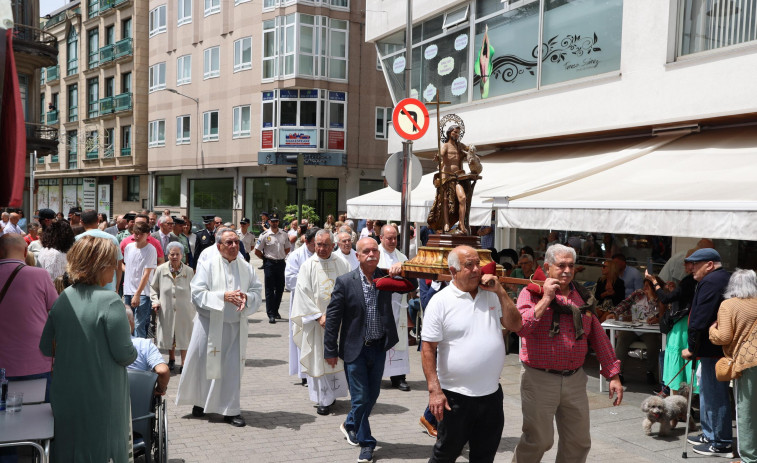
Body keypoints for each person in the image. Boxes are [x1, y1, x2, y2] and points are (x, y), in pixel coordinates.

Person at [513, 244, 623, 463]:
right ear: (547, 267)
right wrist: (546, 299)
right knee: (539, 440)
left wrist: (613, 375)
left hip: (574, 379)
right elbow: (522, 327)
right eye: (560, 265)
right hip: (539, 379)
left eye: (571, 266)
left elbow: (598, 335)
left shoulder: (581, 295)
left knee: (579, 442)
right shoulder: (531, 292)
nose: (566, 270)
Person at [39, 236, 137, 463]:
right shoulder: (111, 301)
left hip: (66, 393)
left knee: (68, 450)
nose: (115, 268)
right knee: (103, 450)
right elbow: (125, 354)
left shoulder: (64, 297)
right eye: (112, 262)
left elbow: (46, 346)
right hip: (102, 393)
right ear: (99, 265)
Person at [421, 246, 521, 462]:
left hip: (491, 395)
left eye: (478, 264)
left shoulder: (492, 295)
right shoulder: (440, 301)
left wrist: (501, 291)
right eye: (469, 265)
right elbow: (428, 348)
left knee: (484, 456)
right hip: (455, 397)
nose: (477, 269)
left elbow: (516, 324)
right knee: (445, 454)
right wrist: (434, 390)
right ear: (453, 271)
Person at [324, 237, 414, 463]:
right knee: (361, 397)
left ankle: (350, 423)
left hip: (378, 347)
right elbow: (333, 319)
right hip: (354, 349)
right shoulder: (345, 282)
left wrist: (402, 271)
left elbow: (410, 286)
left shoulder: (386, 277)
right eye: (366, 251)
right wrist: (330, 350)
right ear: (358, 256)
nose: (372, 254)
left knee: (372, 396)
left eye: (375, 250)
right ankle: (367, 443)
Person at [176, 228, 263, 427]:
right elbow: (196, 293)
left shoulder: (245, 266)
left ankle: (230, 410)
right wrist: (223, 296)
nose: (233, 246)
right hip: (209, 324)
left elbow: (257, 291)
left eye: (236, 242)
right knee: (203, 365)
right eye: (229, 243)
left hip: (235, 327)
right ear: (219, 246)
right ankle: (200, 402)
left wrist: (246, 298)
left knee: (231, 370)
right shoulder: (208, 263)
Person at [291, 230, 351, 415]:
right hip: (317, 324)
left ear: (333, 245)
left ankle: (335, 395)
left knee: (337, 359)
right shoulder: (307, 266)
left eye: (326, 244)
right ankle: (323, 399)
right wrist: (319, 316)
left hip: (338, 323)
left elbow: (350, 289)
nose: (322, 248)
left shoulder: (342, 263)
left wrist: (339, 317)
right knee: (318, 357)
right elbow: (302, 294)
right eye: (318, 244)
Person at [681, 248, 733, 457]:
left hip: (712, 348)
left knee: (714, 394)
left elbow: (700, 318)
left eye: (696, 263)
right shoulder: (720, 278)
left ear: (709, 264)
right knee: (707, 391)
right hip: (712, 347)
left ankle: (720, 442)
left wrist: (692, 348)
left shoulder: (712, 281)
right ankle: (710, 434)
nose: (692, 268)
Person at [0, 235, 57, 402]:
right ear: (26, 251)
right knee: (38, 420)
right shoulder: (39, 275)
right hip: (35, 360)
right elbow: (56, 310)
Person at [709, 269, 757, 463]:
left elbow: (724, 337)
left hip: (748, 362)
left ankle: (748, 459)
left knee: (745, 411)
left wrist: (712, 331)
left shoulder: (728, 305)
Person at [650, 249, 697, 394]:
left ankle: (674, 402)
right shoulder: (697, 282)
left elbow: (664, 299)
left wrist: (654, 283)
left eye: (687, 262)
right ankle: (682, 403)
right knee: (683, 361)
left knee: (676, 359)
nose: (684, 264)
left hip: (682, 325)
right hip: (689, 323)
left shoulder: (690, 281)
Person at [609, 277, 665, 385]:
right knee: (622, 339)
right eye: (644, 285)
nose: (644, 288)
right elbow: (625, 303)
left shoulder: (660, 298)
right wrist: (615, 313)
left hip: (649, 329)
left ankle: (651, 372)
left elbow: (663, 312)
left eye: (647, 286)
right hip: (633, 326)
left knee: (653, 343)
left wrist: (652, 300)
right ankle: (618, 373)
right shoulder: (638, 294)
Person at [151, 241, 195, 373]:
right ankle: (171, 359)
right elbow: (153, 288)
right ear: (167, 255)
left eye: (177, 254)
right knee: (170, 334)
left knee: (184, 335)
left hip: (185, 309)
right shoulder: (160, 269)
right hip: (167, 307)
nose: (174, 257)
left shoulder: (189, 271)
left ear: (182, 255)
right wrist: (155, 301)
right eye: (172, 254)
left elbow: (194, 289)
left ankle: (184, 362)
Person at [427, 123, 479, 235]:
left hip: (458, 177)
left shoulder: (460, 146)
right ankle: (446, 222)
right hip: (446, 177)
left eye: (458, 133)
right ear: (449, 133)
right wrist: (438, 157)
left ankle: (461, 223)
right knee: (445, 201)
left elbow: (469, 149)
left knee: (463, 198)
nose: (456, 134)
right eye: (455, 132)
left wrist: (471, 150)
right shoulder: (445, 146)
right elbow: (440, 155)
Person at [377, 224, 411, 391]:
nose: (392, 241)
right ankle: (375, 375)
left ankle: (398, 377)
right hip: (380, 306)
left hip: (398, 305)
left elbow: (410, 281)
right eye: (388, 238)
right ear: (381, 237)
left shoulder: (402, 257)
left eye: (395, 238)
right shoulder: (374, 254)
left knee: (399, 339)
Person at [285, 227, 318, 381]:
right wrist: (310, 282)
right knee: (303, 335)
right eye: (316, 244)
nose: (319, 247)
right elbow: (290, 280)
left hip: (320, 303)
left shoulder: (326, 255)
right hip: (301, 302)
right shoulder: (296, 256)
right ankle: (304, 373)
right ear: (307, 241)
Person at [123, 222, 158, 338]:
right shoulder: (129, 247)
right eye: (135, 233)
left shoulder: (151, 249)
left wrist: (137, 294)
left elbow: (146, 274)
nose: (137, 236)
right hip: (128, 290)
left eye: (140, 234)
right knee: (128, 324)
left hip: (143, 292)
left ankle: (141, 352)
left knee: (139, 325)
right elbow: (127, 267)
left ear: (148, 234)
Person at [125, 306, 170, 395]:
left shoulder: (99, 345)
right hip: (140, 400)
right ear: (131, 323)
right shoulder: (144, 344)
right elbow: (163, 371)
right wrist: (159, 390)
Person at [255, 213, 291, 324]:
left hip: (280, 263)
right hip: (269, 264)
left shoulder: (284, 234)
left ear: (278, 222)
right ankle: (270, 314)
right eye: (272, 221)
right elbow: (257, 251)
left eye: (276, 221)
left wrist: (280, 256)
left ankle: (275, 310)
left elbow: (287, 248)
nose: (274, 223)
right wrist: (265, 260)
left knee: (280, 288)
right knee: (270, 290)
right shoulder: (264, 235)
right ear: (269, 222)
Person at [76, 209, 123, 293]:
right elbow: (119, 267)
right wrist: (116, 288)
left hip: (84, 290)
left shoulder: (77, 239)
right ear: (98, 221)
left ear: (81, 222)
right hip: (108, 289)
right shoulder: (112, 239)